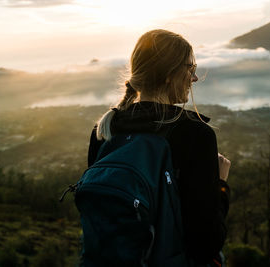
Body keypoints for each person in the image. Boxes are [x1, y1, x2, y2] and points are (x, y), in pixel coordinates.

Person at [87, 29, 231, 266]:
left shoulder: (103, 131)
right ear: (169, 74)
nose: (194, 79)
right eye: (190, 69)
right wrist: (221, 186)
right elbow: (206, 244)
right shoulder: (196, 135)